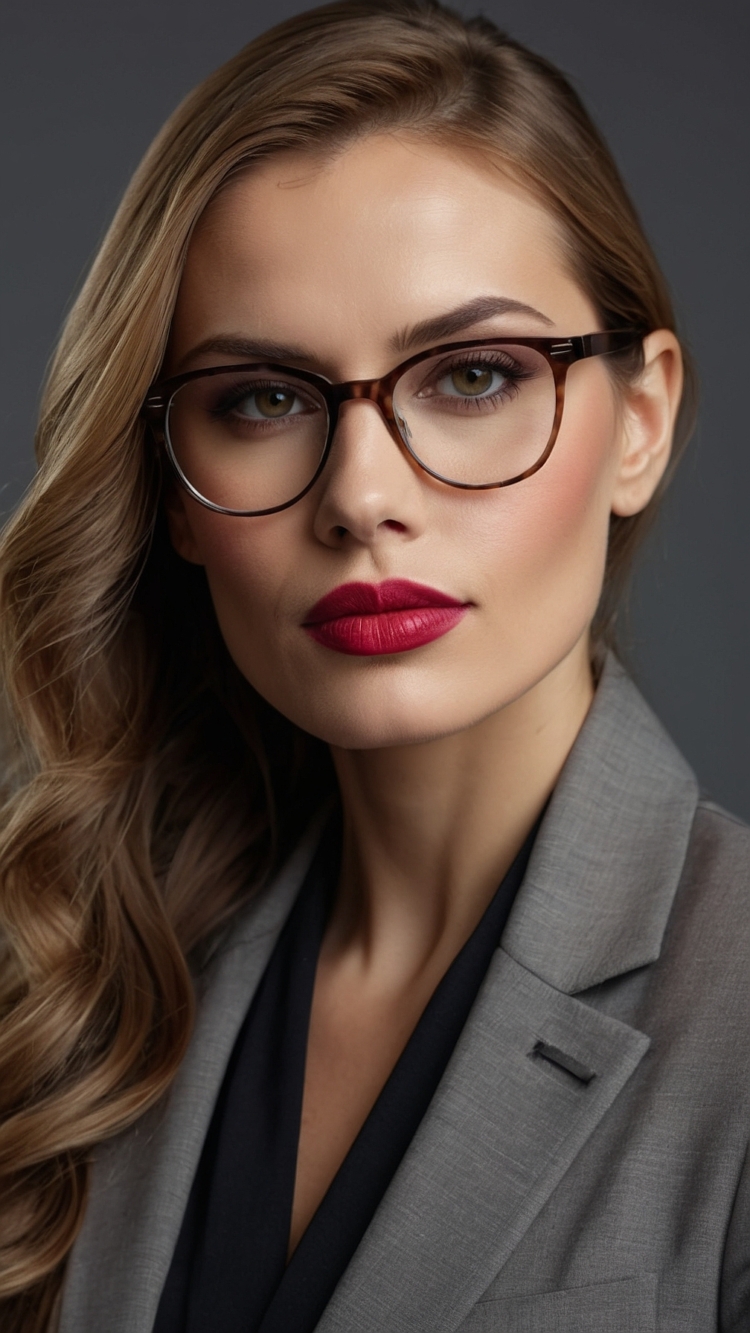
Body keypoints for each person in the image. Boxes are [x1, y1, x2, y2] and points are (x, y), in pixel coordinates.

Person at [1, 1, 749, 1328]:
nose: (359, 497)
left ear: (640, 421)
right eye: (262, 400)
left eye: (469, 375)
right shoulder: (85, 988)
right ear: (172, 488)